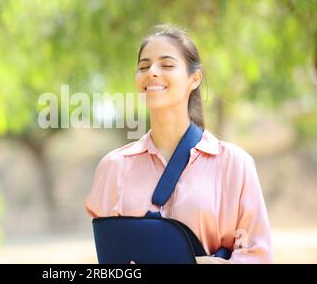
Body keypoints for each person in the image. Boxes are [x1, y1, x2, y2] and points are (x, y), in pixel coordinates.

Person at [84, 24, 273, 264]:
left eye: (167, 64)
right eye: (144, 66)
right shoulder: (112, 168)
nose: (152, 72)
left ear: (194, 78)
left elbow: (258, 255)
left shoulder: (234, 164)